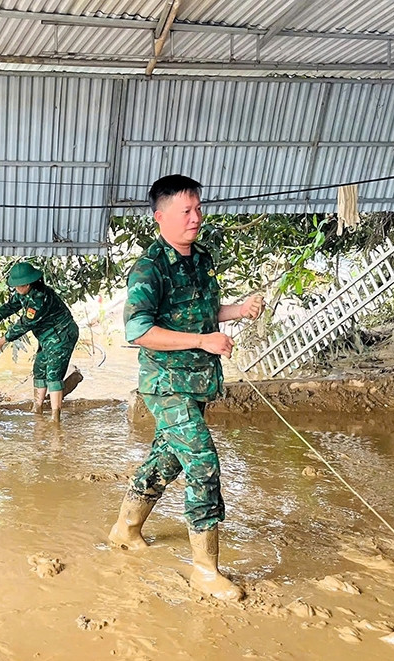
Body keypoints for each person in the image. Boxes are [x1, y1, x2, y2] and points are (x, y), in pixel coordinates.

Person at [107, 174, 264, 601]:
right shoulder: (149, 268)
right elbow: (138, 330)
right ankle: (205, 570)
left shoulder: (200, 258)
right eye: (186, 211)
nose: (196, 218)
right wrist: (202, 340)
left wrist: (239, 311)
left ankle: (125, 528)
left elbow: (206, 311)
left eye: (198, 208)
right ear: (160, 217)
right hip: (165, 383)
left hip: (196, 382)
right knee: (202, 463)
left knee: (168, 460)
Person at [0, 262, 79, 423]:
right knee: (39, 369)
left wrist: (2, 340)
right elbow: (11, 305)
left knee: (53, 374)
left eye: (18, 286)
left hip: (61, 334)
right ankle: (37, 408)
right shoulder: (24, 292)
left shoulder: (39, 298)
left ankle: (55, 418)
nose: (16, 289)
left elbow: (25, 323)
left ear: (27, 284)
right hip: (46, 337)